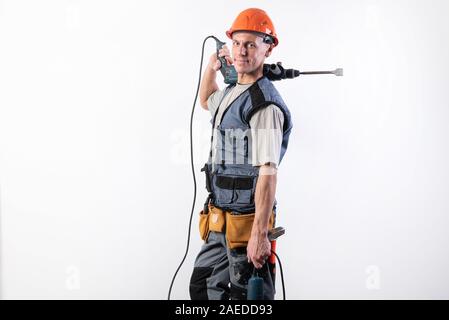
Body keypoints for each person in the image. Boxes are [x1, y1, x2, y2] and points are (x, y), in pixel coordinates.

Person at [189, 8, 293, 300]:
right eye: (236, 43)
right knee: (202, 288)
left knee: (249, 299)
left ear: (268, 48)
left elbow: (269, 173)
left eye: (250, 44)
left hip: (247, 226)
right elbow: (207, 99)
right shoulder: (233, 91)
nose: (241, 51)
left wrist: (260, 235)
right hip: (218, 220)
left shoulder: (264, 105)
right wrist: (212, 67)